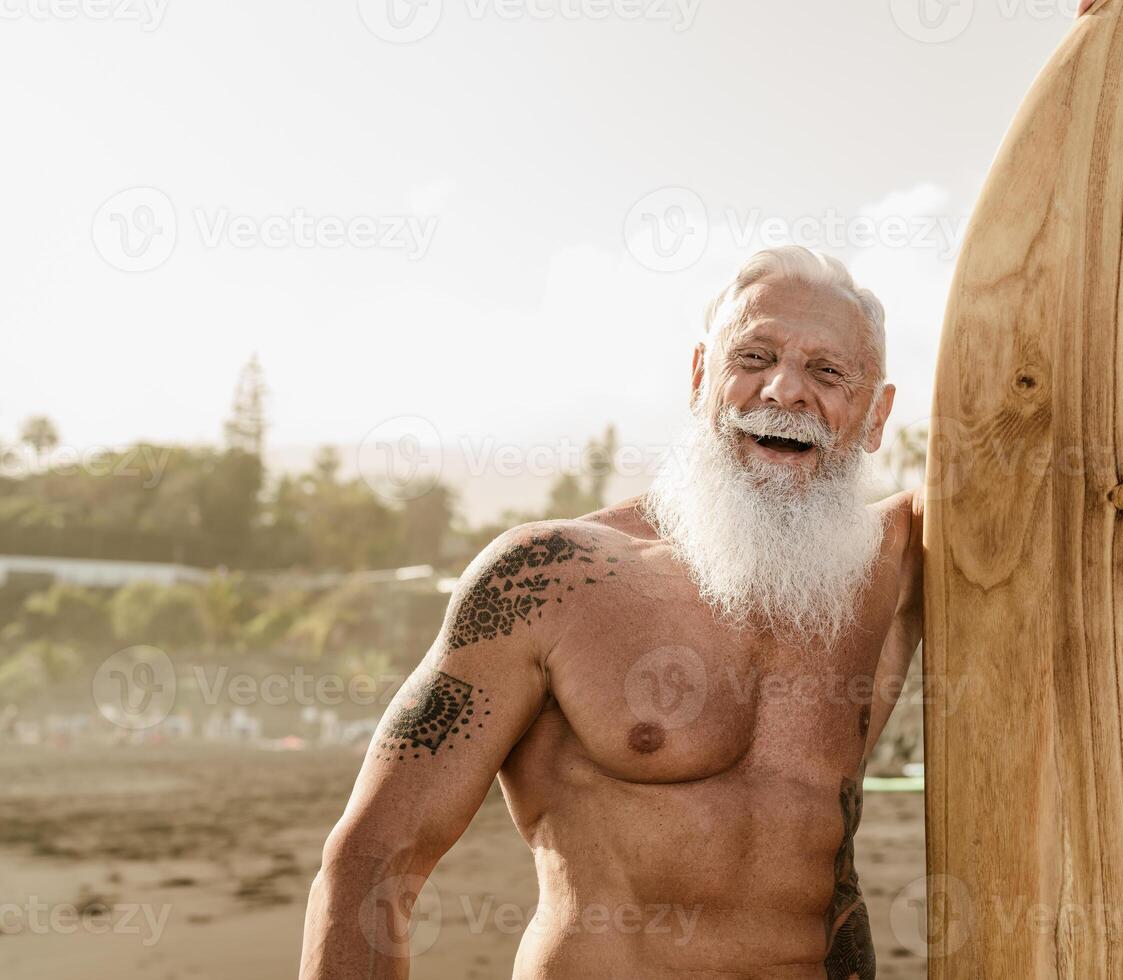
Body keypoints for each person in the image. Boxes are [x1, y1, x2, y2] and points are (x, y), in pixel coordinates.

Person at [301, 243, 921, 980]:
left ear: (877, 414)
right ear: (700, 379)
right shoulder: (549, 578)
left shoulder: (897, 562)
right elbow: (374, 858)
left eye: (828, 371)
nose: (784, 390)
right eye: (753, 357)